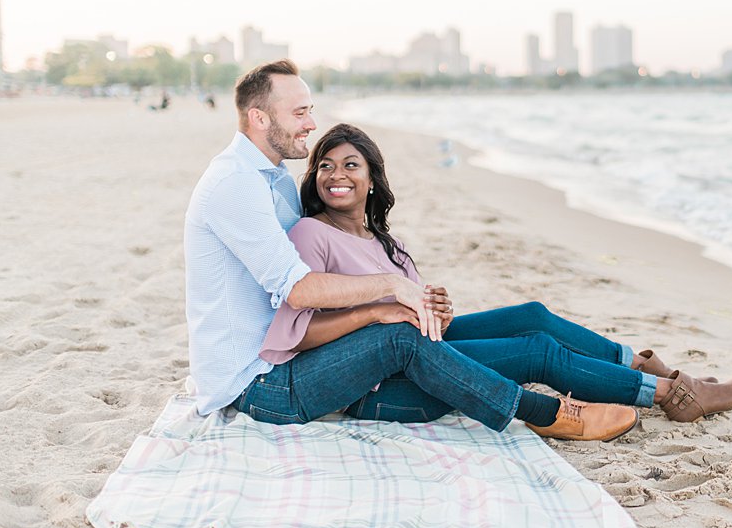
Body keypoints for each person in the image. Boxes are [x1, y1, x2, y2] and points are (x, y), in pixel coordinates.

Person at [186, 60, 642, 441]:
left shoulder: (274, 179)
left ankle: (637, 378)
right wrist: (388, 292)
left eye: (310, 110)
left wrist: (402, 298)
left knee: (469, 326)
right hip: (257, 383)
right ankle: (545, 413)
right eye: (300, 112)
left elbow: (323, 262)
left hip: (300, 353)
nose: (310, 123)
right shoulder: (234, 185)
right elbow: (300, 290)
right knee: (402, 335)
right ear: (259, 118)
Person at [249, 121, 732, 437]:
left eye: (350, 164)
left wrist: (436, 310)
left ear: (373, 178)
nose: (336, 174)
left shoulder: (385, 242)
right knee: (536, 351)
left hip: (420, 351)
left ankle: (646, 367)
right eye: (325, 166)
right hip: (384, 382)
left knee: (532, 315)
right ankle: (668, 395)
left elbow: (415, 318)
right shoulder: (312, 235)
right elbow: (300, 336)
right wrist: (378, 310)